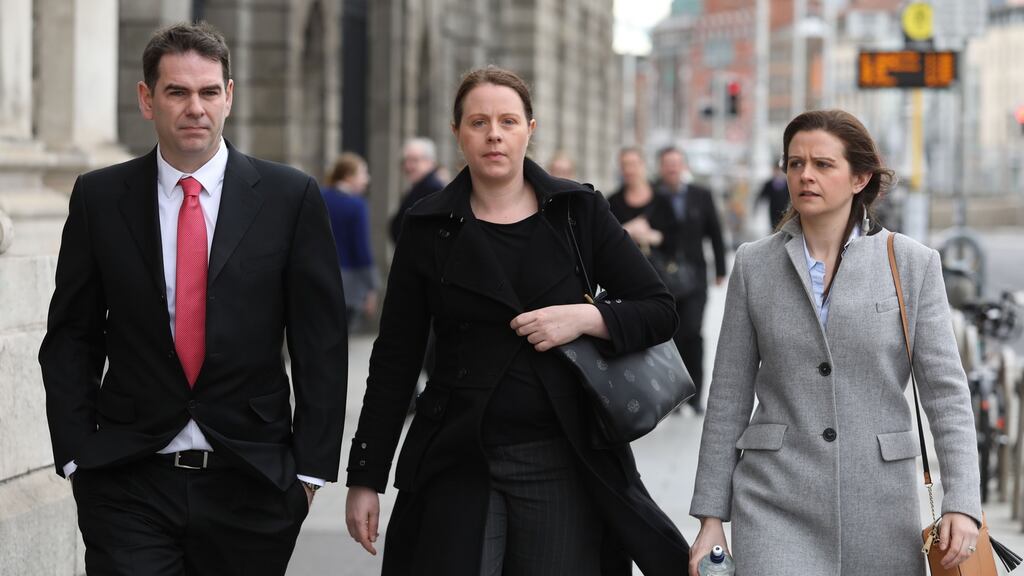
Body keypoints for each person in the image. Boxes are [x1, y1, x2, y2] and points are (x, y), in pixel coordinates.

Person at [344, 65, 689, 576]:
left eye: (508, 121)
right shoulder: (428, 227)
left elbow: (659, 310)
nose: (493, 134)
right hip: (458, 457)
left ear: (530, 129)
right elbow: (395, 357)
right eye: (478, 122)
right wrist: (366, 476)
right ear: (457, 133)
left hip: (561, 456)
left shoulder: (578, 210)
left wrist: (586, 318)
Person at [38, 22, 348, 576]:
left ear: (229, 96)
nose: (194, 108)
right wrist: (76, 457)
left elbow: (319, 342)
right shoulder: (99, 198)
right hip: (129, 480)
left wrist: (308, 475)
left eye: (208, 92)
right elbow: (71, 336)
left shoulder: (288, 196)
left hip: (252, 482)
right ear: (146, 99)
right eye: (177, 92)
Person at [688, 110, 981, 576]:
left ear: (860, 177)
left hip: (881, 504)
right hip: (773, 500)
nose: (806, 175)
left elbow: (946, 394)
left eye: (823, 164)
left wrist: (962, 501)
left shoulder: (912, 264)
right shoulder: (754, 265)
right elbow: (728, 395)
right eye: (795, 163)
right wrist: (710, 517)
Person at [655, 146, 726, 414]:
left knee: (692, 333)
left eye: (676, 163)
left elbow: (715, 233)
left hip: (696, 277)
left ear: (683, 166)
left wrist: (720, 269)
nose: (672, 168)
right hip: (663, 279)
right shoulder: (654, 196)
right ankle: (672, 395)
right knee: (667, 336)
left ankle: (695, 394)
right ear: (661, 168)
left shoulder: (700, 195)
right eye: (667, 164)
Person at [322, 152, 380, 331]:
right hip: (348, 282)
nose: (367, 179)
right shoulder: (356, 204)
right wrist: (372, 287)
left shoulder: (319, 195)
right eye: (363, 173)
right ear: (348, 176)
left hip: (319, 275)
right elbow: (361, 248)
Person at [389, 137, 445, 243]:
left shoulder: (433, 189)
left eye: (414, 160)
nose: (408, 166)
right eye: (405, 160)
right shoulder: (420, 187)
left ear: (430, 162)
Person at [756, 162, 789, 230]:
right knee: (774, 228)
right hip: (773, 211)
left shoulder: (787, 184)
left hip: (785, 210)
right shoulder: (769, 184)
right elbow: (761, 195)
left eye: (780, 170)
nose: (778, 173)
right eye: (776, 170)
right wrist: (756, 207)